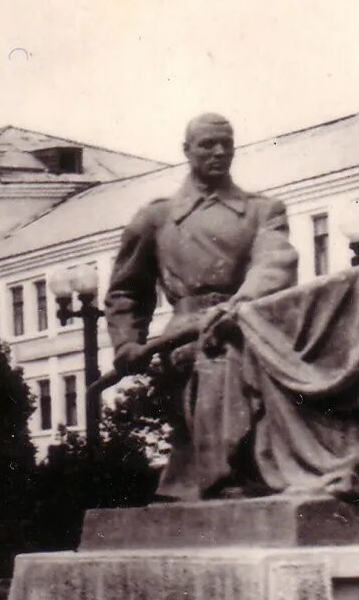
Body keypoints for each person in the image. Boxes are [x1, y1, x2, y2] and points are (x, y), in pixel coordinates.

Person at [104, 113, 299, 500]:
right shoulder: (157, 218)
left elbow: (274, 262)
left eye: (226, 143)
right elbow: (126, 290)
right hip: (186, 333)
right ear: (187, 150)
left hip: (246, 320)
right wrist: (127, 344)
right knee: (218, 356)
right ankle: (220, 477)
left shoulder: (263, 210)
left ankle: (271, 469)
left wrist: (240, 303)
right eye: (208, 144)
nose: (220, 151)